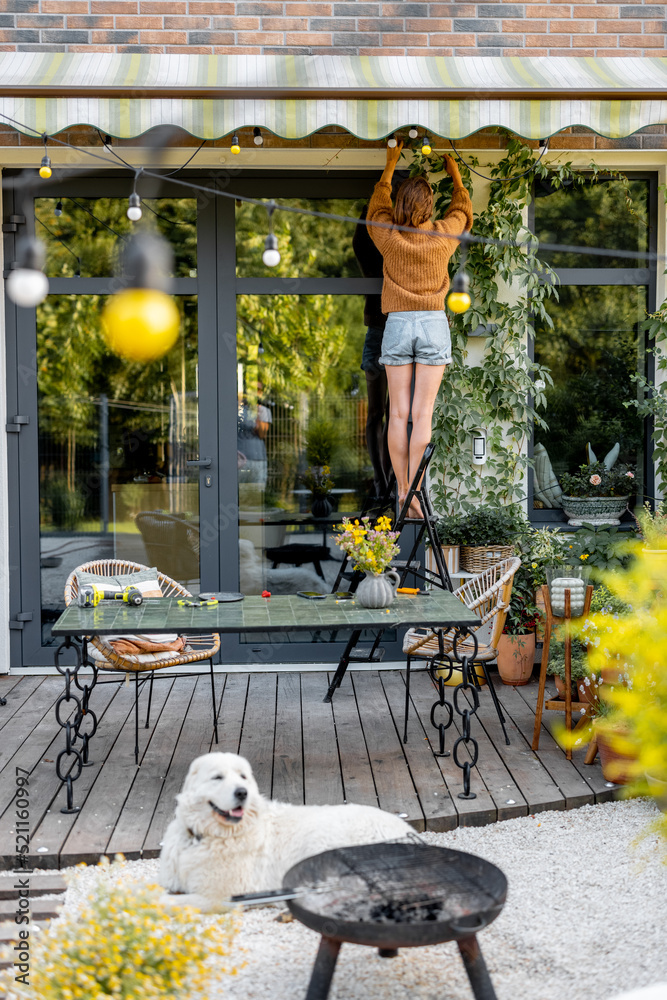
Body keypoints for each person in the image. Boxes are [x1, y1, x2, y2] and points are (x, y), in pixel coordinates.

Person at [367, 142, 473, 518]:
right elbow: (462, 209)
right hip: (431, 322)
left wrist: (389, 166)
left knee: (397, 414)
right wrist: (454, 173)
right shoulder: (443, 235)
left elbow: (375, 210)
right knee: (422, 414)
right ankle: (415, 490)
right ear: (429, 208)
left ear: (400, 205)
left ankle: (401, 490)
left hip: (397, 323)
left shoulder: (389, 237)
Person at [352, 204, 391, 497]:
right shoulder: (370, 245)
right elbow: (359, 240)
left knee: (395, 413)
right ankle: (380, 480)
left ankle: (391, 480)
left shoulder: (395, 243)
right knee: (377, 412)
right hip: (378, 332)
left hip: (399, 330)